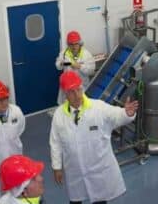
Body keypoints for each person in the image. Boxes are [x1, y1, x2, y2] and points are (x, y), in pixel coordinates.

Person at [50, 70, 138, 203]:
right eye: (71, 92)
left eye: (78, 89)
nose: (77, 95)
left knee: (100, 199)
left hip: (98, 169)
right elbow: (55, 143)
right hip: (75, 171)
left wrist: (128, 114)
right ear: (65, 94)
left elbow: (117, 115)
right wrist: (56, 167)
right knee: (75, 199)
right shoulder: (59, 115)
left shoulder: (98, 107)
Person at [55, 30, 95, 105]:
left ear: (80, 43)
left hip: (81, 86)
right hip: (67, 86)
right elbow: (57, 66)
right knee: (66, 106)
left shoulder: (86, 54)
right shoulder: (64, 53)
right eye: (71, 44)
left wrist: (80, 66)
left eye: (76, 44)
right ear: (68, 44)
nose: (73, 46)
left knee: (82, 106)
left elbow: (91, 70)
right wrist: (61, 63)